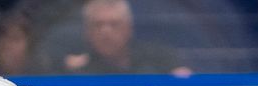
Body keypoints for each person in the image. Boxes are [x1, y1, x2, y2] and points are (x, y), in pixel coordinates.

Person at [63, 0, 192, 76]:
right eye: (98, 25)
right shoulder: (78, 72)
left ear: (128, 28)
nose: (105, 32)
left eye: (114, 24)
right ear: (87, 31)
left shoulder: (160, 60)